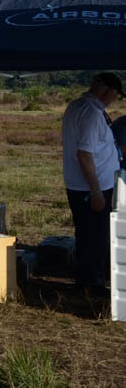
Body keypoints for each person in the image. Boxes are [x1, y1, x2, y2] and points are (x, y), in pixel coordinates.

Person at [61, 72, 122, 289]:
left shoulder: (78, 106)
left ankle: (88, 279)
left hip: (81, 185)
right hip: (91, 188)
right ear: (109, 90)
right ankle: (91, 284)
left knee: (88, 235)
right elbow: (84, 154)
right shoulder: (91, 114)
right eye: (115, 94)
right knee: (95, 238)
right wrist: (96, 191)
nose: (114, 99)